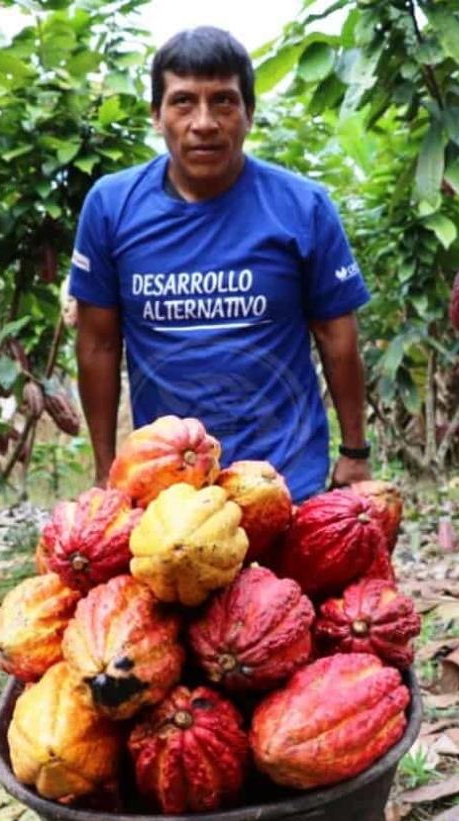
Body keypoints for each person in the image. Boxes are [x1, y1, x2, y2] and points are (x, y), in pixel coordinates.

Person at [68, 26, 371, 503]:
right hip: (169, 484)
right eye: (183, 101)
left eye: (224, 102)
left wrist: (356, 451)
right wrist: (106, 471)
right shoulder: (111, 207)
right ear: (157, 115)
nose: (204, 122)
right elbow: (98, 344)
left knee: (287, 583)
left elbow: (338, 337)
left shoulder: (303, 207)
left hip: (285, 478)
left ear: (249, 113)